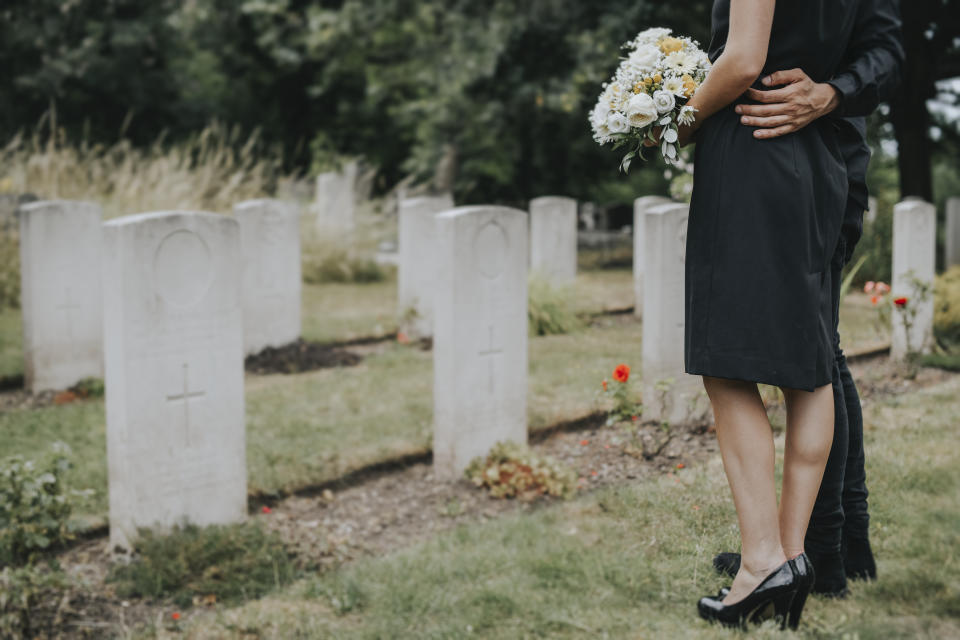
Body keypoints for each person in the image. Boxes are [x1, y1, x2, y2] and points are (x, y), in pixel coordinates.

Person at [667, 0, 888, 630]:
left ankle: (761, 559)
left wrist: (674, 121)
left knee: (727, 367)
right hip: (819, 156)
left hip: (754, 150)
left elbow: (741, 60)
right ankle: (792, 556)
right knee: (811, 367)